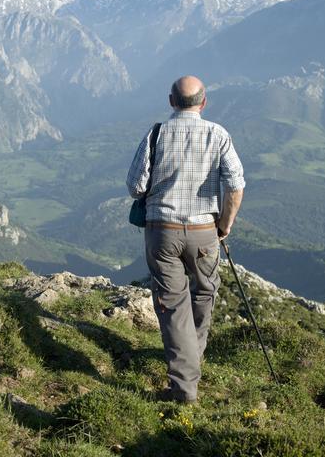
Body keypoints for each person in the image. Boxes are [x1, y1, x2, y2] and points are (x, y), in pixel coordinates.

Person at [126, 75, 245, 403]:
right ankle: (191, 364)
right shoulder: (218, 134)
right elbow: (235, 185)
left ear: (170, 101)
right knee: (204, 293)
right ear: (203, 103)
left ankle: (184, 386)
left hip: (162, 231)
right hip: (205, 231)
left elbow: (135, 186)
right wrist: (224, 224)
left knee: (172, 304)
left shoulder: (156, 134)